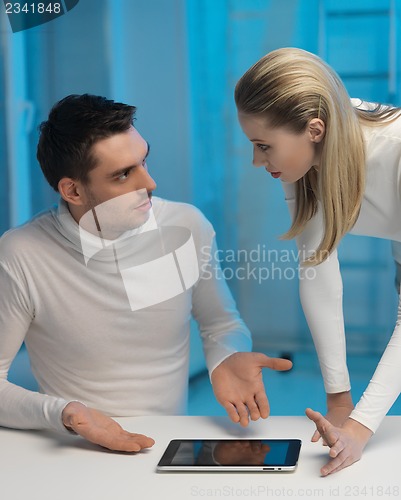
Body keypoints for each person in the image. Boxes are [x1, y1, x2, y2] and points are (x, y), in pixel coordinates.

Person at [0, 94, 292, 452]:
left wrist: (226, 357)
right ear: (72, 190)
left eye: (144, 161)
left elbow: (221, 323)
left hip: (166, 447)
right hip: (75, 452)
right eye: (124, 174)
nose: (149, 183)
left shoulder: (185, 227)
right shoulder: (21, 253)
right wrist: (64, 413)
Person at [235, 47, 401, 476]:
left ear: (314, 128)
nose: (257, 161)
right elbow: (318, 273)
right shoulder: (301, 163)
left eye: (263, 146)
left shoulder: (396, 151)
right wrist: (339, 399)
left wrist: (361, 429)